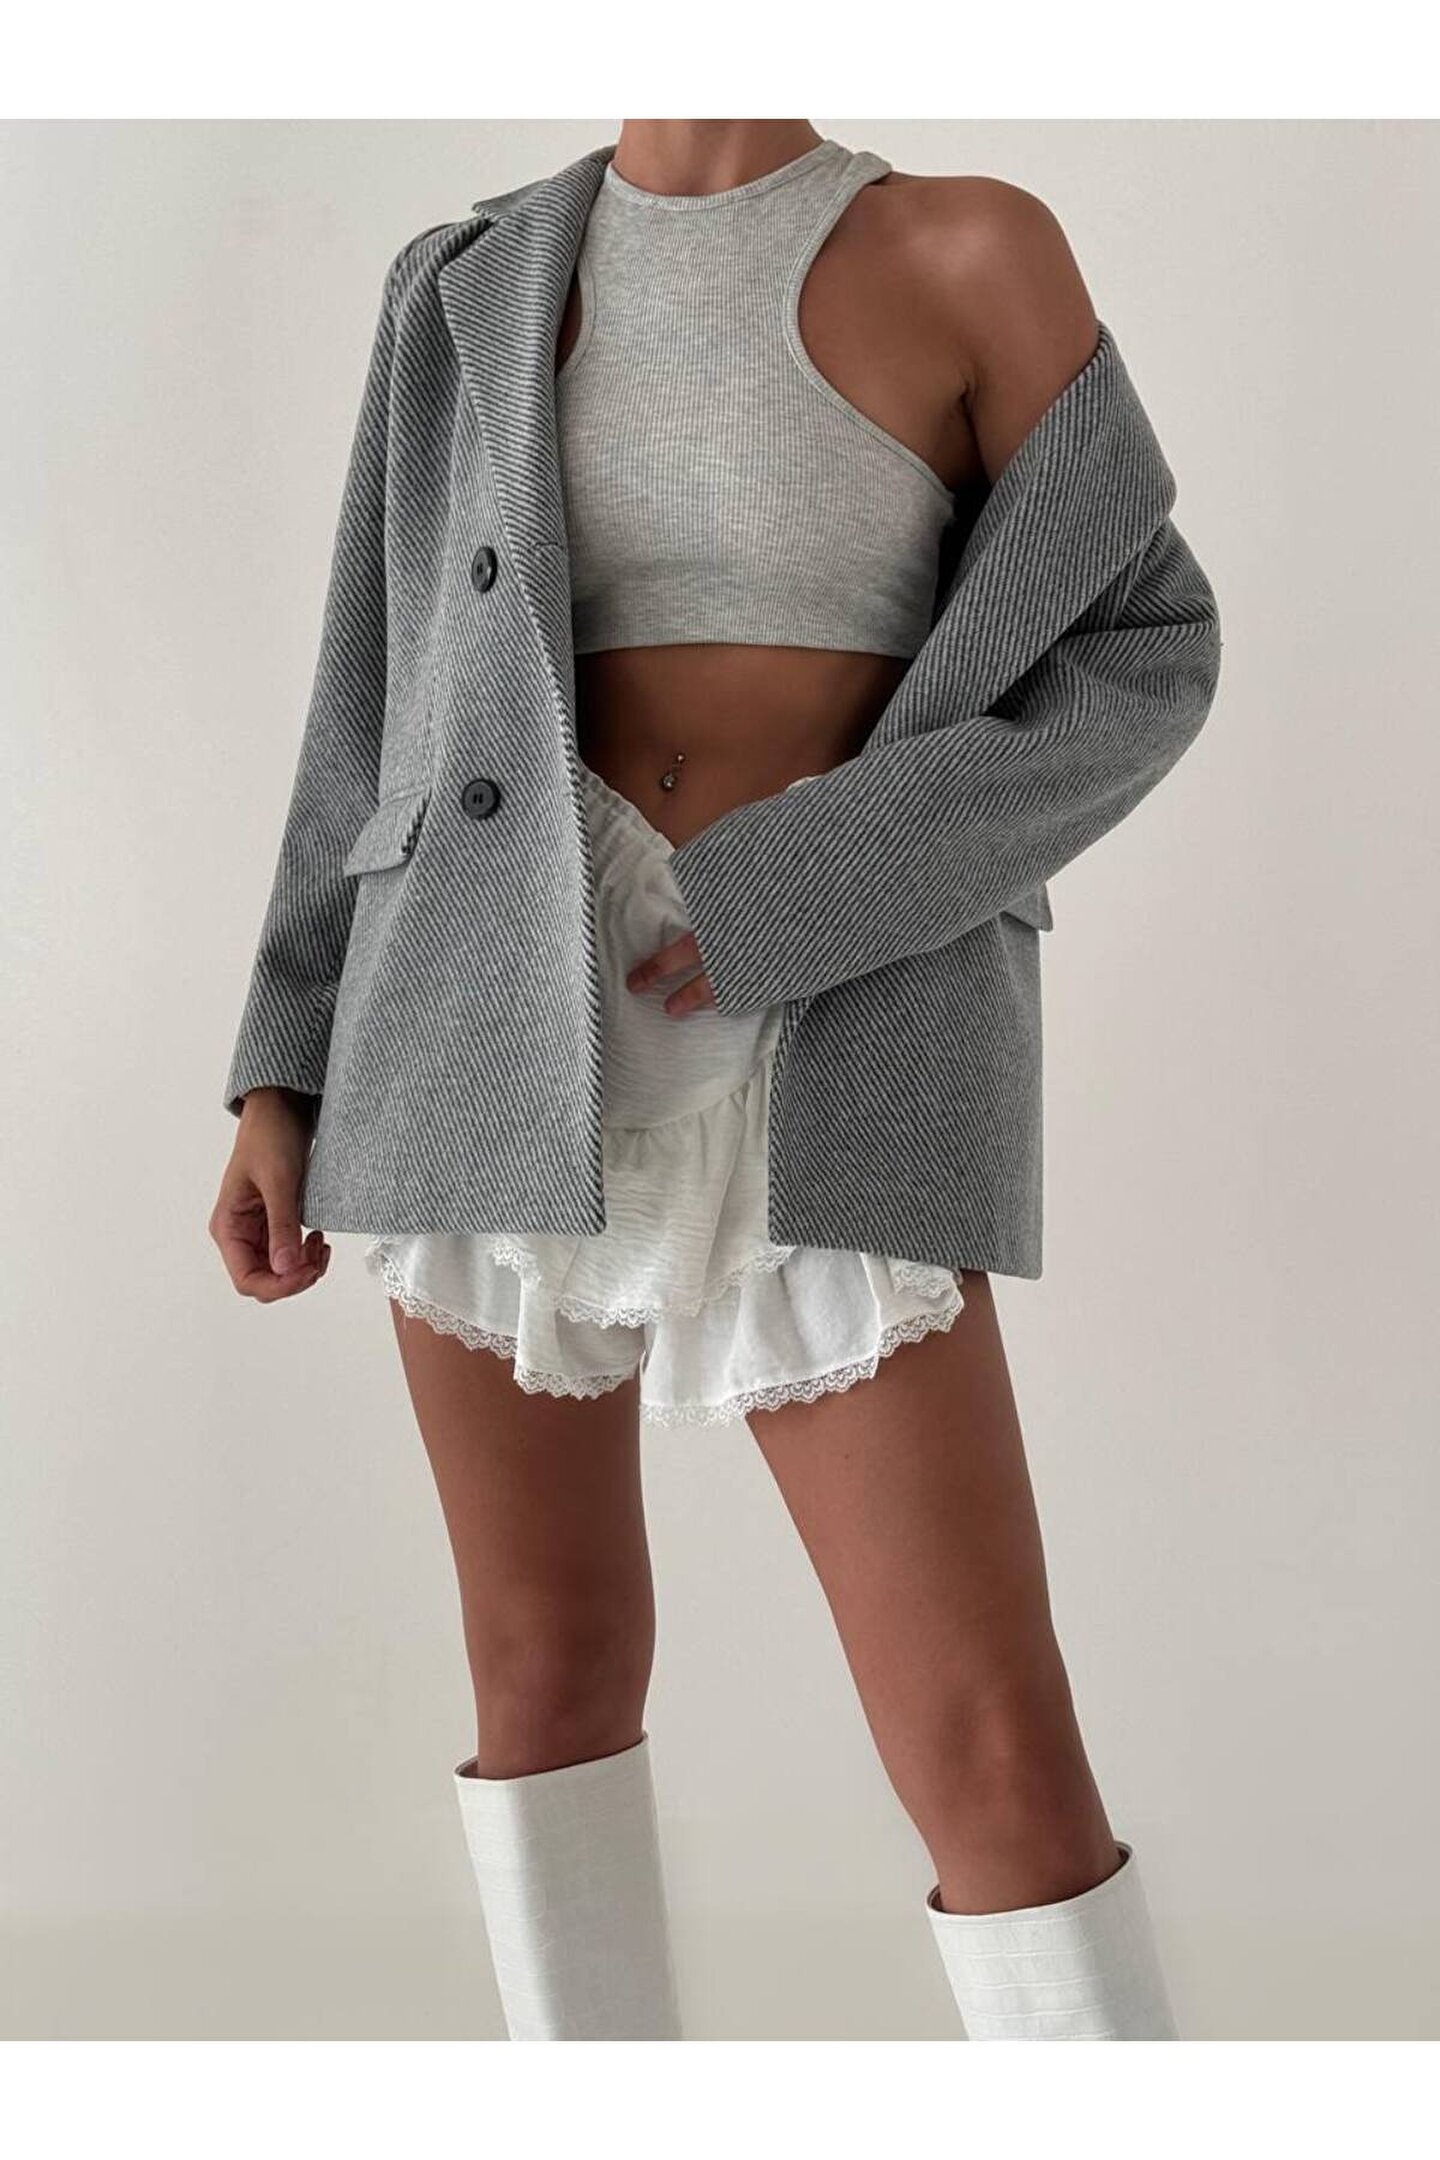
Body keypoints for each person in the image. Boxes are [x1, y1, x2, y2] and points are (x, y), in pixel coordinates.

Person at [211, 119, 1221, 2040]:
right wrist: (284, 1061)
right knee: (544, 1676)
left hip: (839, 1009)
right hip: (477, 1013)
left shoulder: (967, 249)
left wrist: (812, 886)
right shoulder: (464, 281)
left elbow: (1143, 648)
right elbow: (374, 698)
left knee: (990, 1743)